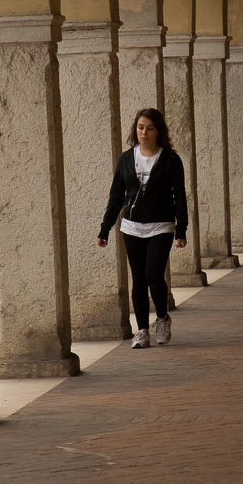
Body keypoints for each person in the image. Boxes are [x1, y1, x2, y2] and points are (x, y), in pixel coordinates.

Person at [98, 108, 188, 348]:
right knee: (138, 278)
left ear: (159, 131)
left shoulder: (170, 159)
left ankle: (162, 317)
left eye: (150, 128)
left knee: (153, 274)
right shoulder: (126, 158)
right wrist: (105, 228)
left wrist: (181, 229)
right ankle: (142, 331)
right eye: (140, 128)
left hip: (161, 225)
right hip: (131, 226)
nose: (144, 133)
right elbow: (116, 196)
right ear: (135, 130)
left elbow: (180, 195)